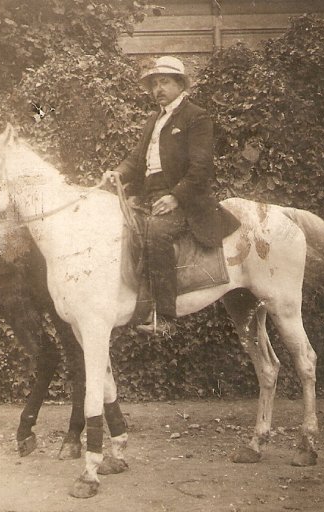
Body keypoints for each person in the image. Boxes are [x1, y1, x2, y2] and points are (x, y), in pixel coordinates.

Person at [105, 56, 239, 336]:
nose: (158, 89)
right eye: (153, 84)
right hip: (150, 197)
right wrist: (117, 173)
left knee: (157, 232)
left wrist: (176, 197)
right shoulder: (154, 119)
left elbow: (201, 166)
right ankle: (131, 303)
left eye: (164, 81)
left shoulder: (196, 116)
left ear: (180, 83)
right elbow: (136, 161)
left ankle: (164, 316)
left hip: (187, 201)